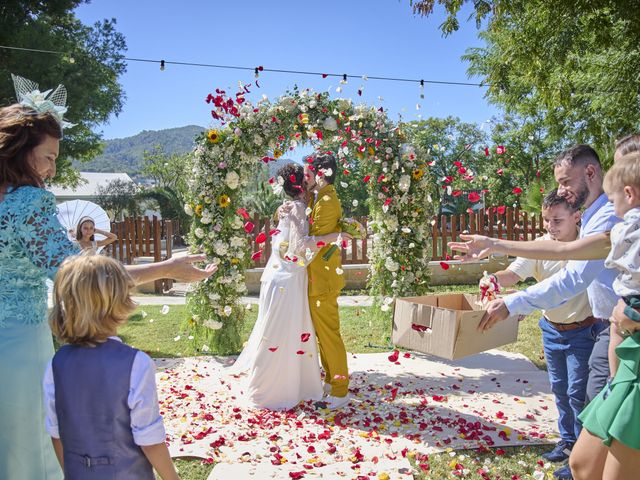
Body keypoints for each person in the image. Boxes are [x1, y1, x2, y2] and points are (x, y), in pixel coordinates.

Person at [0, 75, 216, 480]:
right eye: (47, 157)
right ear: (20, 151)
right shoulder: (27, 205)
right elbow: (83, 275)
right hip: (15, 350)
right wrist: (168, 267)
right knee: (24, 451)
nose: (51, 168)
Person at [452, 152, 640, 479]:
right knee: (583, 445)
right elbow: (562, 251)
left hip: (616, 342)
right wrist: (495, 244)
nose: (561, 189)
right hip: (610, 338)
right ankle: (575, 447)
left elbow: (573, 275)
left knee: (600, 429)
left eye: (565, 182)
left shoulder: (614, 220)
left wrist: (513, 303)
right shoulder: (609, 223)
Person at [44, 254, 179, 479]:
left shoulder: (55, 364)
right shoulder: (136, 364)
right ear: (119, 302)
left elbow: (57, 433)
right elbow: (149, 439)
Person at [229, 163, 350, 410]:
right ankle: (280, 386)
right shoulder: (298, 207)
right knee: (283, 331)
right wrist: (334, 237)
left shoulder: (307, 204)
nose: (308, 181)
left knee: (284, 332)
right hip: (289, 280)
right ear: (301, 185)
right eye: (305, 177)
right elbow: (300, 246)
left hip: (285, 277)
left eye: (309, 175)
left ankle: (297, 383)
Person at [487, 190, 596, 462]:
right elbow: (514, 273)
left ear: (577, 216)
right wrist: (494, 280)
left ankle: (581, 455)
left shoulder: (589, 245)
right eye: (546, 220)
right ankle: (567, 441)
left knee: (578, 393)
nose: (550, 227)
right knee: (559, 389)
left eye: (557, 220)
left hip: (584, 330)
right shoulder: (541, 245)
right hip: (551, 330)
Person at [304, 152, 351, 409]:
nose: (305, 178)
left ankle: (341, 389)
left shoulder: (327, 201)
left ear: (321, 174)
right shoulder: (319, 198)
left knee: (330, 336)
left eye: (308, 173)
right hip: (317, 279)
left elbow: (316, 242)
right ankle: (332, 382)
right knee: (323, 336)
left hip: (324, 280)